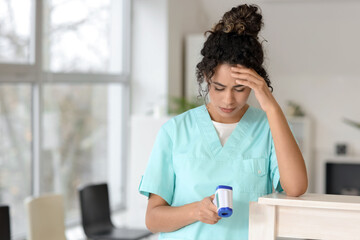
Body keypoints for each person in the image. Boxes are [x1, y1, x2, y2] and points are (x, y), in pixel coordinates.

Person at [139, 4, 308, 240]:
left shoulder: (269, 128)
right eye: (219, 87)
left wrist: (270, 105)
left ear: (255, 83)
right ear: (206, 77)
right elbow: (152, 219)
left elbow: (297, 187)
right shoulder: (175, 131)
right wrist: (194, 211)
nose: (228, 100)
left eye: (240, 88)